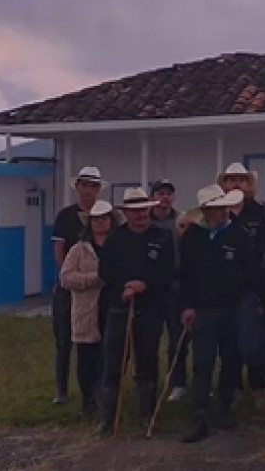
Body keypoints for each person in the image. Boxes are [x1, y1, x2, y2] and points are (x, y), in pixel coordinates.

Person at [95, 187, 176, 436]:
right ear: (126, 213)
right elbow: (105, 272)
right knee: (113, 363)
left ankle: (147, 416)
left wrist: (145, 284)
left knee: (148, 362)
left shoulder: (162, 236)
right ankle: (107, 419)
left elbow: (168, 271)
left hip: (151, 308)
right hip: (119, 307)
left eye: (144, 210)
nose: (141, 215)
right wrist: (126, 285)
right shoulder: (115, 238)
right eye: (135, 211)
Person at [178, 185, 253, 443]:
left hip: (233, 308)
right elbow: (184, 276)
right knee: (203, 362)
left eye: (223, 207)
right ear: (206, 211)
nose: (222, 212)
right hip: (203, 309)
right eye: (216, 208)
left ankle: (225, 406)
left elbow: (250, 270)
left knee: (232, 358)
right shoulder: (192, 237)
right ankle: (199, 414)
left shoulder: (239, 235)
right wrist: (187, 306)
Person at [217, 162, 265, 412]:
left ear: (250, 185)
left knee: (255, 344)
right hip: (223, 291)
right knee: (228, 346)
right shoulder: (216, 212)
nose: (236, 184)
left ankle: (258, 388)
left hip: (255, 289)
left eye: (241, 180)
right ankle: (230, 393)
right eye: (231, 180)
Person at [59, 200, 120, 417]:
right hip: (87, 308)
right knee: (86, 359)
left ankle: (107, 401)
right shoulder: (78, 249)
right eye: (96, 219)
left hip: (112, 306)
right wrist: (92, 279)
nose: (101, 222)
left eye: (104, 218)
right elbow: (65, 278)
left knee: (109, 356)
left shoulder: (117, 245)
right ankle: (88, 402)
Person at [50, 166, 105, 405]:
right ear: (77, 187)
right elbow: (58, 250)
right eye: (84, 185)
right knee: (64, 340)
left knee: (95, 340)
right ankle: (61, 389)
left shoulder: (105, 216)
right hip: (69, 287)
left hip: (99, 290)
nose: (88, 190)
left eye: (93, 186)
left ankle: (95, 389)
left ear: (98, 189)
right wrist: (70, 275)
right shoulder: (65, 216)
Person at [149, 179, 190, 404]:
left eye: (168, 193)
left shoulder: (181, 221)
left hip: (176, 288)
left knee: (178, 338)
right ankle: (149, 383)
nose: (164, 197)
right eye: (160, 193)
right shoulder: (146, 222)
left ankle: (178, 382)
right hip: (153, 289)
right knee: (151, 338)